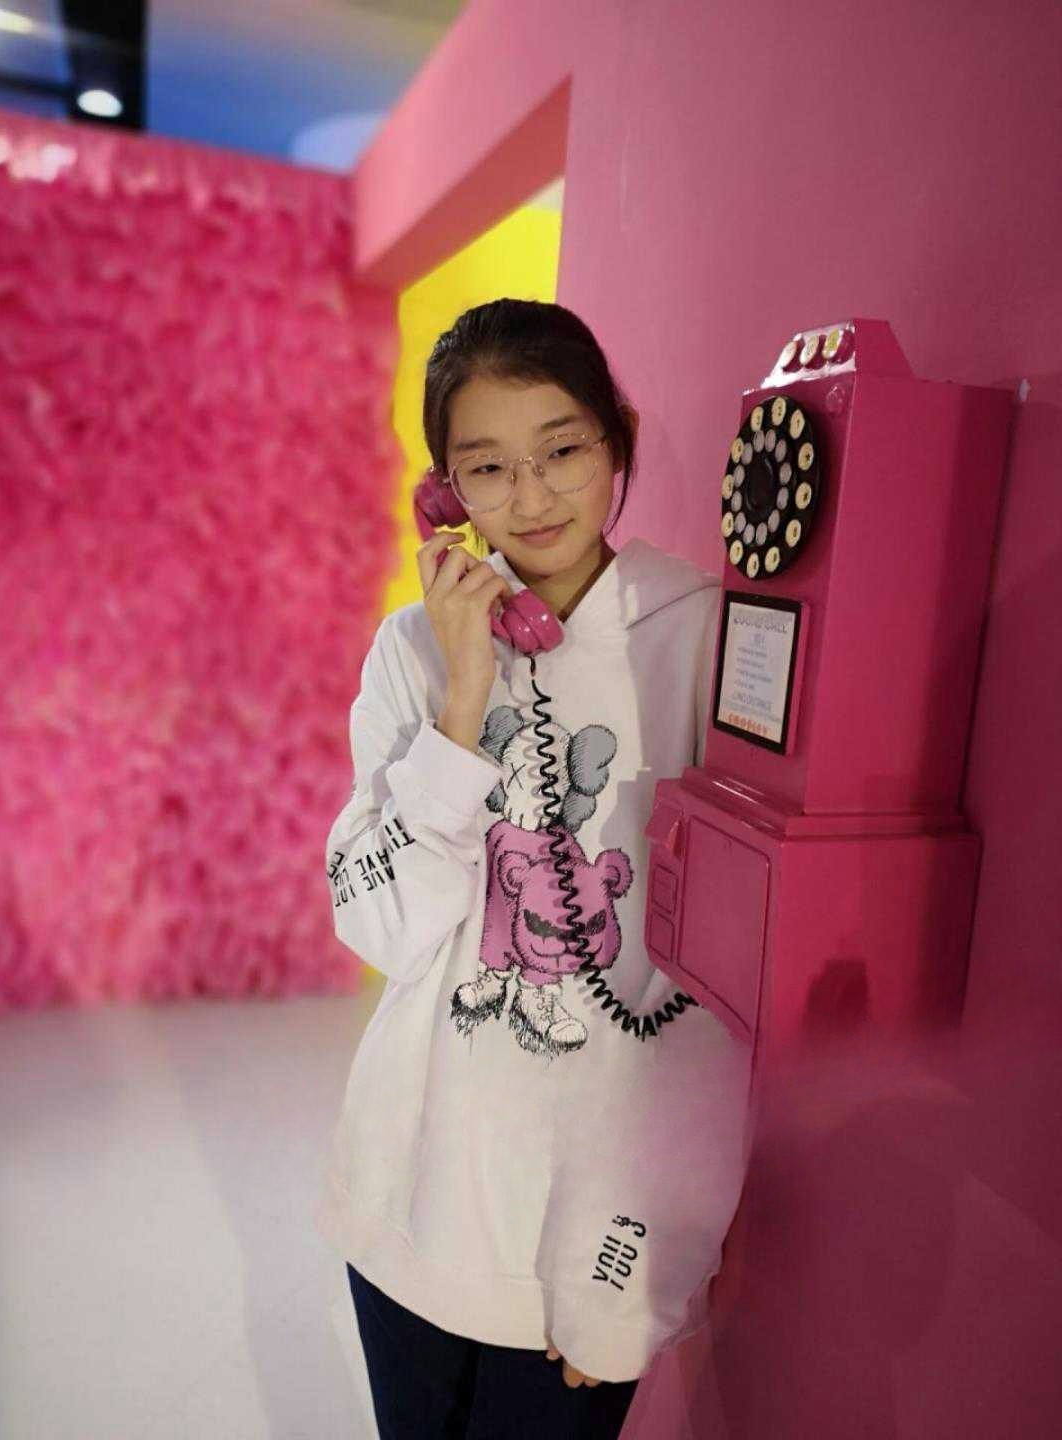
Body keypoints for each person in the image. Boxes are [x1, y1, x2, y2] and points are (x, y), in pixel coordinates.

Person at [316, 299, 753, 1438]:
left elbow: (724, 994)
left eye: (562, 450)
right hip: (409, 1200)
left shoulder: (710, 640)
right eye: (487, 468)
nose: (532, 496)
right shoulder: (413, 651)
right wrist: (463, 700)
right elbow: (383, 928)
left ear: (619, 439)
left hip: (589, 1224)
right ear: (447, 492)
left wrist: (646, 1248)